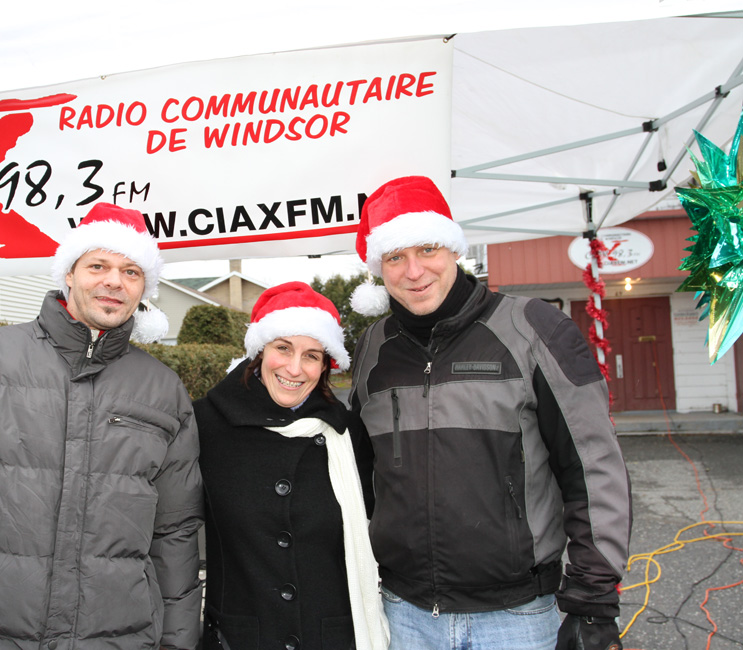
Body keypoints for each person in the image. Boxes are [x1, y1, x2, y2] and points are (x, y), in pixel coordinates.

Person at [0, 203, 203, 650]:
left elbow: (176, 530)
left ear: (144, 286)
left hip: (119, 637)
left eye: (131, 271)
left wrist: (178, 642)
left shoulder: (163, 391)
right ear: (68, 274)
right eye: (98, 265)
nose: (114, 281)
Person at [348, 176, 630, 650]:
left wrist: (592, 600)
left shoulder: (533, 327)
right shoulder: (373, 347)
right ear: (380, 267)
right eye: (395, 257)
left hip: (517, 618)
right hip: (403, 614)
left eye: (428, 250)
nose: (414, 271)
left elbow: (593, 468)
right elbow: (357, 475)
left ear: (454, 250)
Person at [193, 282, 388, 650]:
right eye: (283, 348)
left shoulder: (346, 434)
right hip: (241, 636)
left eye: (312, 355)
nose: (295, 368)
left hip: (329, 636)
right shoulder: (205, 424)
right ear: (260, 351)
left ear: (325, 365)